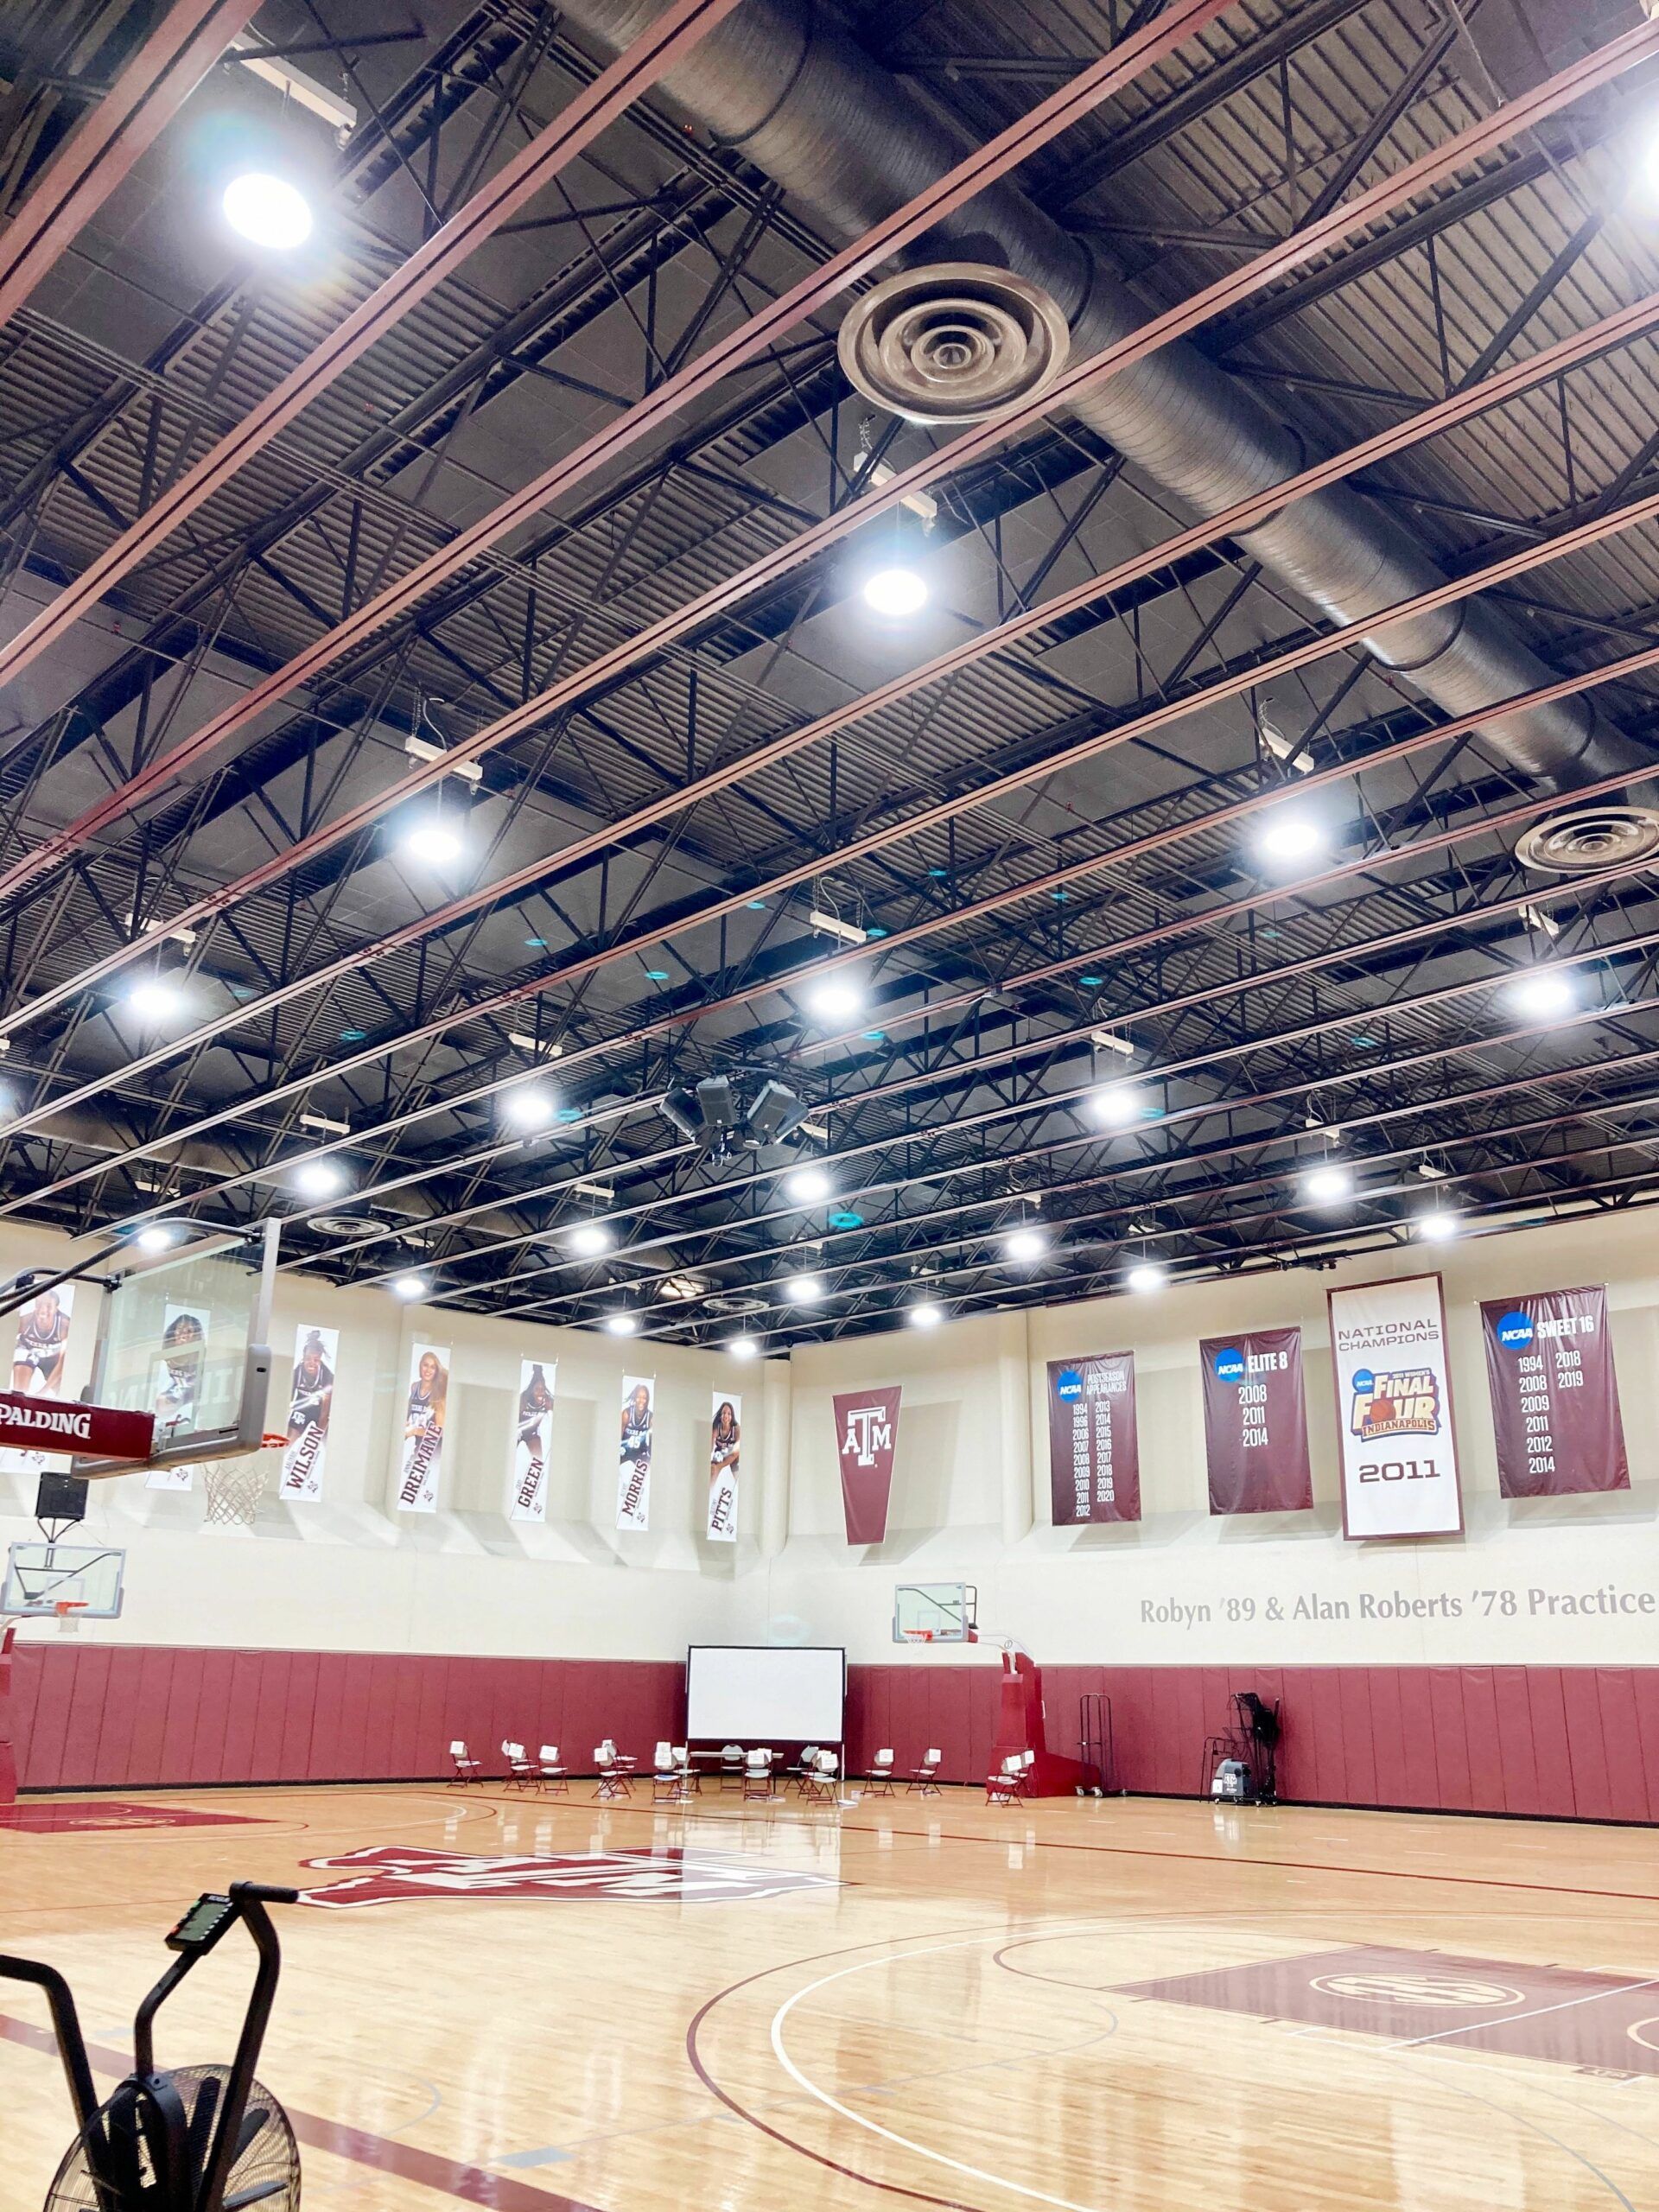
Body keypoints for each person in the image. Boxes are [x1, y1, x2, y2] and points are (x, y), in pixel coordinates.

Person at [10, 1288, 68, 1396]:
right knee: (19, 1391)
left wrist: (42, 1393)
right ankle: (19, 1406)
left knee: (62, 1386)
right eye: (39, 1304)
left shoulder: (64, 1325)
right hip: (29, 1352)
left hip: (52, 1357)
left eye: (48, 1306)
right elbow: (6, 1341)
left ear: (56, 1309)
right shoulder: (25, 1321)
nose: (43, 1310)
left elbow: (63, 1362)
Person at [155, 1310, 205, 1434]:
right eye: (180, 1328)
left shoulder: (202, 1369)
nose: (184, 1333)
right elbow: (159, 1403)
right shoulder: (161, 1365)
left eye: (189, 1331)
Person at [288, 1331, 334, 1440]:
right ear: (303, 1357)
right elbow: (287, 1400)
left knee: (319, 1444)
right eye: (308, 1358)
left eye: (316, 1360)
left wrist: (316, 1437)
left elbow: (325, 1412)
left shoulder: (327, 1377)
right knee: (290, 1440)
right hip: (301, 1412)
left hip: (320, 1413)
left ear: (320, 1359)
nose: (311, 1363)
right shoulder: (297, 1372)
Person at [405, 1349, 448, 1440]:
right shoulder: (414, 1387)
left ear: (436, 1371)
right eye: (426, 1365)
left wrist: (414, 1431)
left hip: (430, 1450)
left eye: (432, 1367)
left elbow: (439, 1430)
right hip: (415, 1447)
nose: (428, 1370)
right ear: (420, 1366)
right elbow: (408, 1416)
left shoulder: (439, 1393)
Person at [620, 1380, 652, 1468]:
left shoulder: (650, 1417)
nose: (641, 1400)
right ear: (635, 1398)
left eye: (644, 1398)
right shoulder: (626, 1414)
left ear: (647, 1399)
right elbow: (618, 1436)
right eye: (638, 1397)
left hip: (640, 1456)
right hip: (625, 1453)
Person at [709, 1398, 741, 1474]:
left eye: (729, 1414)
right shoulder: (716, 1427)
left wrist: (728, 1453)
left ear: (732, 1416)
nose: (726, 1416)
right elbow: (710, 1448)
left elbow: (737, 1449)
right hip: (719, 1455)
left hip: (732, 1455)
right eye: (723, 1413)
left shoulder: (736, 1429)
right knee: (713, 1468)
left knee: (737, 1453)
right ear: (720, 1415)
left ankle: (720, 1467)